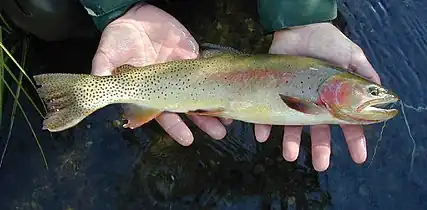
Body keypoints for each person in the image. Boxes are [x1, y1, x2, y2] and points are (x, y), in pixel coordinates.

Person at [1, 0, 381, 172]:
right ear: (338, 87)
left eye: (373, 94)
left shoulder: (317, 89)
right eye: (373, 93)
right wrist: (117, 8)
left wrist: (301, 12)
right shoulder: (314, 96)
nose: (376, 98)